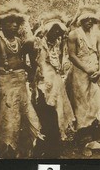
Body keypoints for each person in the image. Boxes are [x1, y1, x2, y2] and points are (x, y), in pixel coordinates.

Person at [0, 1, 42, 158]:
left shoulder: (17, 41)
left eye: (17, 22)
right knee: (9, 118)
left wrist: (33, 71)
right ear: (2, 23)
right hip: (5, 84)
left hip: (20, 83)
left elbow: (20, 61)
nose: (14, 25)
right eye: (10, 21)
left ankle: (24, 150)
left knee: (26, 115)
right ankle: (8, 151)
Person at [31, 11, 76, 158]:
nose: (56, 32)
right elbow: (33, 65)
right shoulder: (37, 43)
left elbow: (61, 63)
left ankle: (54, 147)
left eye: (58, 29)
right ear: (46, 29)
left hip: (56, 82)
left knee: (57, 112)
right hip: (42, 84)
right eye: (53, 29)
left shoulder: (58, 43)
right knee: (46, 114)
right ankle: (45, 148)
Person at [66, 5, 100, 155]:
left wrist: (99, 70)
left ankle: (93, 138)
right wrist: (86, 69)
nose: (89, 22)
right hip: (80, 73)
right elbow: (72, 55)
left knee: (95, 103)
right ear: (81, 20)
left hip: (95, 71)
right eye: (86, 19)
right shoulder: (74, 34)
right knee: (82, 105)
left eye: (92, 19)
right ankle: (82, 142)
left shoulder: (97, 35)